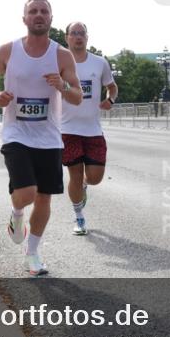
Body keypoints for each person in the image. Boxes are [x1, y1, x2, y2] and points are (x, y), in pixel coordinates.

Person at [0, 0, 83, 276]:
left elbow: (77, 96)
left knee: (44, 198)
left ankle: (33, 252)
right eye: (33, 11)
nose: (39, 15)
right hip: (16, 133)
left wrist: (62, 85)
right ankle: (16, 215)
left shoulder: (62, 55)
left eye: (44, 11)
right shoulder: (8, 50)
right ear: (24, 18)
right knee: (26, 193)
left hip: (49, 136)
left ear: (51, 18)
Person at [60, 21, 117, 236]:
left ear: (87, 37)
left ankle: (85, 184)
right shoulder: (59, 62)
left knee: (95, 177)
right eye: (73, 33)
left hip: (93, 129)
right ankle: (79, 217)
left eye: (81, 33)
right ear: (67, 37)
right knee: (74, 175)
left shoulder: (99, 63)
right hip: (68, 129)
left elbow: (112, 87)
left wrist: (110, 100)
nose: (78, 36)